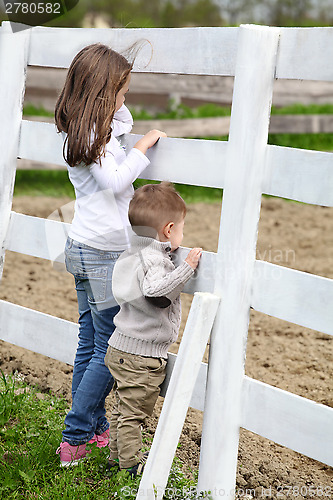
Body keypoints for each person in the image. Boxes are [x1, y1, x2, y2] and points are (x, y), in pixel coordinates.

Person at [54, 43, 166, 466]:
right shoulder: (90, 137)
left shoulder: (82, 128)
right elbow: (116, 182)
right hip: (103, 254)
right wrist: (143, 148)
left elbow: (121, 124)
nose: (126, 100)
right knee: (106, 349)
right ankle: (76, 436)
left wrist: (117, 115)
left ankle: (95, 428)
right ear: (102, 92)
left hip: (83, 247)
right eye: (120, 92)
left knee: (90, 343)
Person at [104, 182, 202, 477]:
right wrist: (185, 268)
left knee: (122, 409)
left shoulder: (132, 251)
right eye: (182, 229)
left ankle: (115, 461)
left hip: (120, 346)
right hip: (141, 357)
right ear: (169, 230)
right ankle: (130, 468)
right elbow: (156, 292)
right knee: (134, 415)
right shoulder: (155, 259)